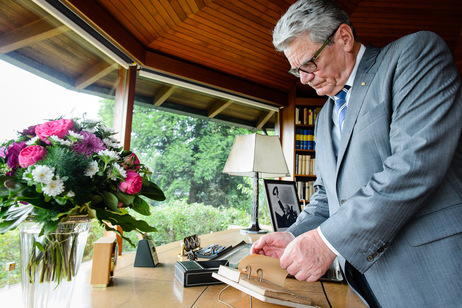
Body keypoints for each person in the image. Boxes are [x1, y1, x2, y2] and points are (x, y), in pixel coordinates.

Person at [251, 0, 462, 307]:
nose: (304, 79)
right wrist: (295, 235)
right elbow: (326, 195)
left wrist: (325, 241)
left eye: (309, 64)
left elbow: (414, 165)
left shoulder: (414, 54)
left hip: (435, 272)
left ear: (344, 38)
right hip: (369, 285)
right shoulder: (323, 118)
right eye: (296, 69)